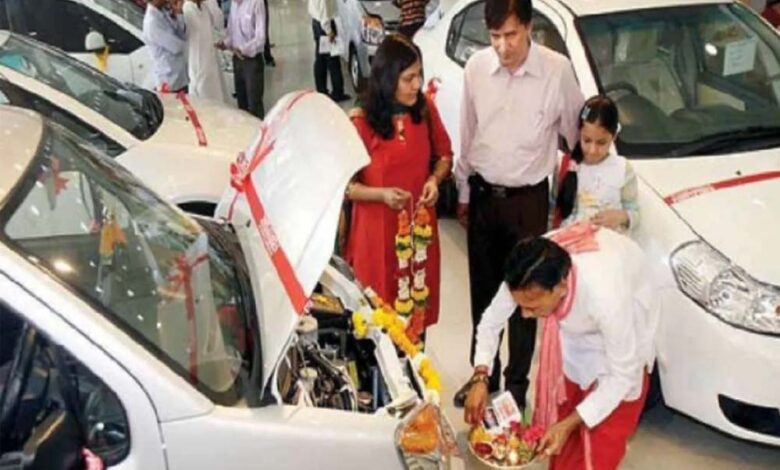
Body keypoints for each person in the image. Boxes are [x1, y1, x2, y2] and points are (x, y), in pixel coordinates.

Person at [453, 0, 584, 408]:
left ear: (528, 27)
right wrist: (462, 192)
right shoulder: (476, 68)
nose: (502, 46)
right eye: (494, 36)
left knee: (527, 295)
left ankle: (516, 385)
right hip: (483, 196)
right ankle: (483, 374)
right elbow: (467, 134)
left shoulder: (556, 71)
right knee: (483, 291)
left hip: (528, 201)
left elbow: (575, 137)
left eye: (510, 35)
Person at [464, 225, 657, 470]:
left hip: (627, 337)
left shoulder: (606, 296)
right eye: (520, 305)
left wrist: (569, 424)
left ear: (561, 287)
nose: (525, 315)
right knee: (561, 444)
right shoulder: (528, 269)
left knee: (598, 449)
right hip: (575, 339)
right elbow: (491, 322)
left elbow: (622, 376)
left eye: (532, 306)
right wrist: (480, 376)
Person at [345, 34, 452, 342]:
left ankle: (419, 369)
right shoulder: (362, 121)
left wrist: (434, 180)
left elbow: (444, 156)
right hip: (376, 234)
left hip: (419, 229)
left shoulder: (424, 109)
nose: (417, 85)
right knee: (378, 320)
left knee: (416, 310)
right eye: (408, 78)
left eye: (419, 75)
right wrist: (381, 195)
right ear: (388, 78)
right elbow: (347, 187)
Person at [553, 95, 639, 232]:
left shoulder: (622, 169)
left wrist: (621, 217)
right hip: (572, 240)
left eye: (601, 143)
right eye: (587, 140)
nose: (592, 150)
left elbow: (634, 212)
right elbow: (553, 212)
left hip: (610, 241)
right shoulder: (566, 166)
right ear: (579, 133)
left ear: (614, 137)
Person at [218, 0, 266, 118]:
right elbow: (231, 32)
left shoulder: (256, 3)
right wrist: (224, 43)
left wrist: (243, 49)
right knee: (242, 104)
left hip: (252, 62)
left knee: (254, 105)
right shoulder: (234, 4)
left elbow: (260, 38)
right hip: (237, 60)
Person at [183, 0, 228, 102]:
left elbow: (219, 23)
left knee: (218, 100)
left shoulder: (205, 8)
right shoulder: (186, 10)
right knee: (203, 102)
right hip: (198, 68)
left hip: (211, 64)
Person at [308, 0, 350, 102]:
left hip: (317, 22)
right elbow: (324, 9)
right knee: (333, 60)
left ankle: (321, 90)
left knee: (321, 59)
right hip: (324, 25)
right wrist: (329, 31)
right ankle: (337, 93)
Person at [143, 0, 189, 93]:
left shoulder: (164, 12)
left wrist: (178, 13)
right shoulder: (152, 23)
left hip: (181, 77)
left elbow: (182, 33)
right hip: (170, 82)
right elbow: (176, 47)